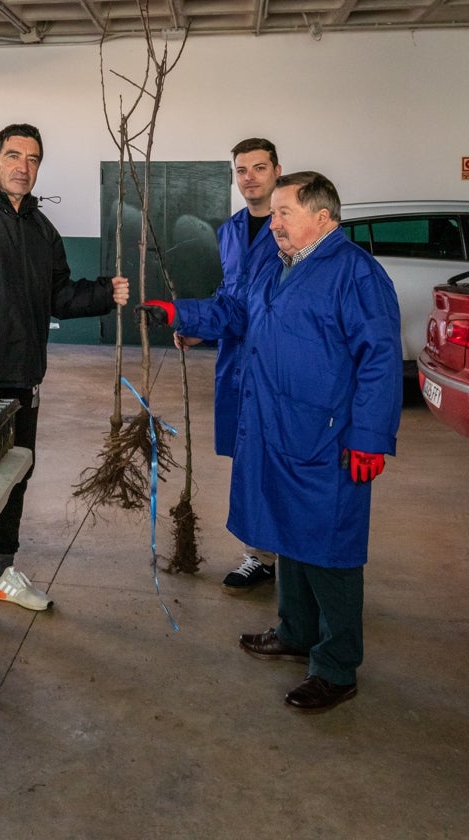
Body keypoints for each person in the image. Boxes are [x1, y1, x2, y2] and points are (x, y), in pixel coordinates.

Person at [138, 171, 402, 712]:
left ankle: (336, 667)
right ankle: (295, 632)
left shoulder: (356, 274)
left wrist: (370, 436)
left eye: (284, 212)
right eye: (273, 213)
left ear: (322, 218)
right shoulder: (277, 267)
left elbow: (379, 359)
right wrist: (181, 312)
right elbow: (236, 313)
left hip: (329, 438)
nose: (273, 222)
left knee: (329, 552)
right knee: (289, 534)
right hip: (276, 427)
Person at [0, 123, 129, 628]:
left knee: (15, 479)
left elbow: (58, 294)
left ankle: (1, 572)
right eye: (14, 156)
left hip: (22, 378)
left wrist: (103, 293)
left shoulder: (39, 228)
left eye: (33, 159)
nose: (23, 168)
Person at [185, 138, 284, 594]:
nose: (249, 178)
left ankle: (285, 552)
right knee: (248, 459)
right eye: (241, 170)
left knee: (279, 456)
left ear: (277, 171)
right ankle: (258, 556)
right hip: (237, 361)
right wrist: (201, 326)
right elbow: (230, 299)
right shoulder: (228, 230)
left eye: (259, 168)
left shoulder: (291, 227)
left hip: (279, 363)